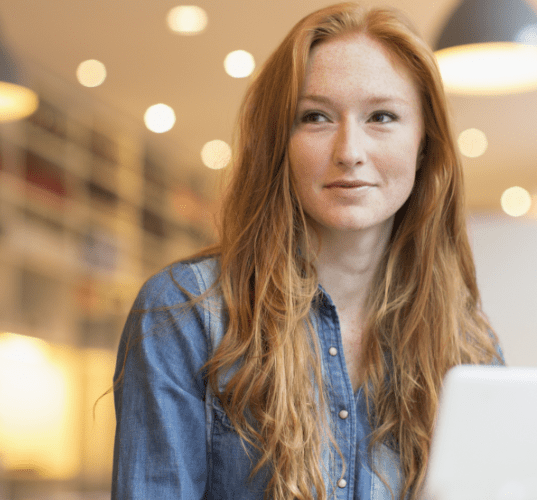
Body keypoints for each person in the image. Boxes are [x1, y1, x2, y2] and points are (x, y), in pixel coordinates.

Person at [111, 3, 504, 499]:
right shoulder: (186, 314)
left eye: (382, 116)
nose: (349, 150)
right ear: (280, 142)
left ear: (425, 145)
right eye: (315, 117)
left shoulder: (470, 348)